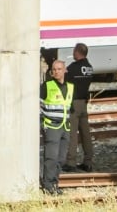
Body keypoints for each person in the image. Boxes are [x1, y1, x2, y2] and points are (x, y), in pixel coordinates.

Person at [40, 59, 73, 196]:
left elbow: (70, 107)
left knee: (61, 158)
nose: (56, 72)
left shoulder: (70, 87)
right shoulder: (47, 86)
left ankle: (55, 183)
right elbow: (38, 105)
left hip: (65, 127)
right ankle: (48, 186)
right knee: (51, 157)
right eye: (54, 69)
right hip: (52, 126)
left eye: (59, 69)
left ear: (65, 70)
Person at [64, 43, 94, 172]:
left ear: (77, 52)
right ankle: (88, 162)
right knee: (85, 133)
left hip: (74, 103)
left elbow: (64, 82)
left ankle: (71, 162)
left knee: (73, 134)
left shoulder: (73, 68)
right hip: (84, 103)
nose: (73, 53)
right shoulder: (89, 67)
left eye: (74, 51)